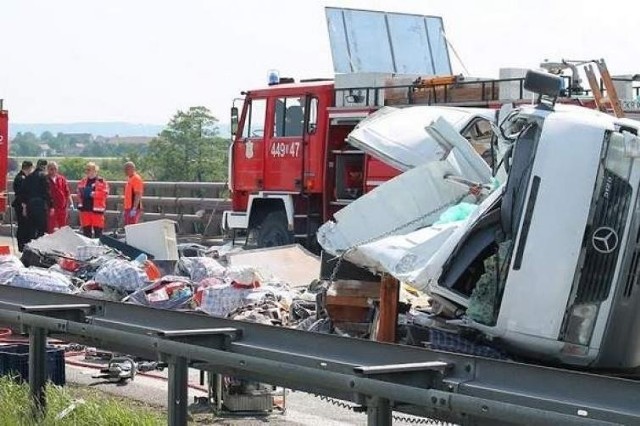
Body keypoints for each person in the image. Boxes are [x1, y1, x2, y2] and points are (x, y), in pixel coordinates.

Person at [21, 159, 51, 242]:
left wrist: (25, 207)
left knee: (32, 228)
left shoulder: (29, 177)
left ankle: (31, 247)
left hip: (30, 205)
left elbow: (23, 193)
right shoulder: (43, 176)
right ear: (44, 166)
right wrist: (51, 205)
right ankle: (40, 247)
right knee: (41, 228)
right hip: (40, 205)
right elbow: (47, 192)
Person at [77, 162, 109, 238]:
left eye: (89, 170)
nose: (87, 171)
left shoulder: (101, 181)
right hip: (85, 210)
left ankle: (98, 249)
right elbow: (78, 192)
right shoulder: (83, 181)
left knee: (98, 233)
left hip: (97, 211)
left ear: (95, 170)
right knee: (86, 233)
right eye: (86, 170)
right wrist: (81, 193)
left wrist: (94, 194)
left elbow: (105, 193)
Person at [11, 161, 34, 251]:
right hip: (21, 205)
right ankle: (21, 246)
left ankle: (22, 245)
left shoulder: (20, 177)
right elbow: (21, 194)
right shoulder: (21, 178)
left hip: (21, 205)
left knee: (24, 225)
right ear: (28, 168)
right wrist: (24, 207)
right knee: (23, 226)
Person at [46, 161, 73, 233]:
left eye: (55, 169)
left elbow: (67, 192)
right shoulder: (45, 179)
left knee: (63, 228)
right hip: (52, 207)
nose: (53, 171)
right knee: (51, 228)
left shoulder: (61, 179)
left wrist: (71, 203)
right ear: (48, 170)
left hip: (62, 207)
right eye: (51, 169)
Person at [123, 161, 143, 225]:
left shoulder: (136, 179)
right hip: (128, 207)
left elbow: (137, 194)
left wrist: (134, 208)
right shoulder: (130, 178)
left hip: (133, 208)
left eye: (127, 169)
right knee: (128, 226)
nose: (125, 171)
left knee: (131, 227)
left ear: (132, 169)